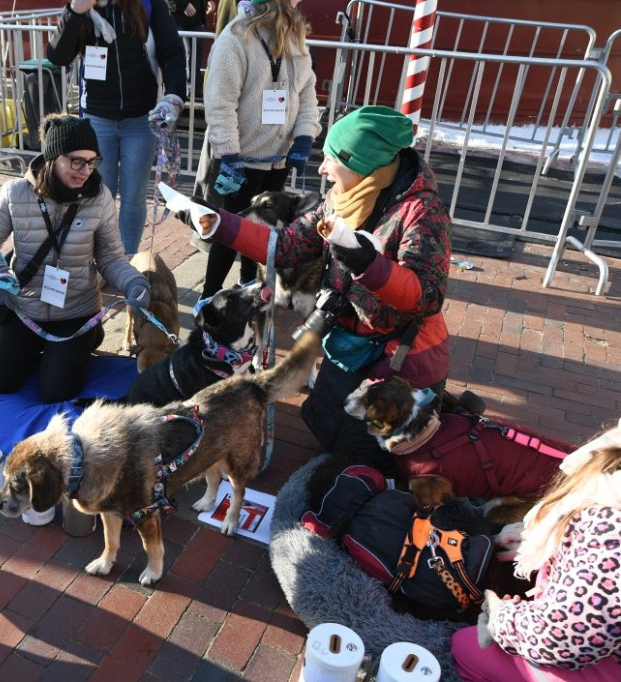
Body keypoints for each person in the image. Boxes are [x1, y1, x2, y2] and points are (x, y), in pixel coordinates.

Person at [183, 105, 450, 474]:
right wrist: (219, 225)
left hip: (402, 351)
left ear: (359, 164)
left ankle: (434, 407)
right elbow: (288, 244)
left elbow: (427, 295)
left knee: (370, 456)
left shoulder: (422, 211)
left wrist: (366, 263)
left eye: (329, 159)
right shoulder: (342, 198)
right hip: (353, 340)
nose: (321, 169)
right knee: (325, 423)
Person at [0, 115, 151, 403]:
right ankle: (46, 346)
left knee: (56, 392)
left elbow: (112, 258)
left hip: (76, 311)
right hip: (24, 308)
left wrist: (134, 283)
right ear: (53, 157)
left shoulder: (99, 197)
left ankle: (89, 335)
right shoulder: (15, 192)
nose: (85, 170)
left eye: (92, 161)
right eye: (76, 161)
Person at [451, 421, 621, 682]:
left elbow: (563, 637)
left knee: (465, 647)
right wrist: (545, 538)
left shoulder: (610, 530)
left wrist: (501, 617)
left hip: (574, 644)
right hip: (590, 632)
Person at [195, 0, 319, 302]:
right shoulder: (235, 37)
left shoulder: (293, 37)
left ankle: (250, 283)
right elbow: (220, 103)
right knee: (230, 231)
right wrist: (229, 154)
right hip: (240, 158)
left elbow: (306, 93)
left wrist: (304, 136)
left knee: (261, 230)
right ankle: (209, 297)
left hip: (277, 159)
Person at [46, 0, 187, 255]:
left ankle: (127, 260)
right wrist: (75, 11)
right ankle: (102, 259)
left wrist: (175, 95)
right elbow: (58, 55)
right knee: (99, 196)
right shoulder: (84, 6)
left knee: (133, 196)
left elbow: (172, 51)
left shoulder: (147, 3)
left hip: (141, 118)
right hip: (97, 118)